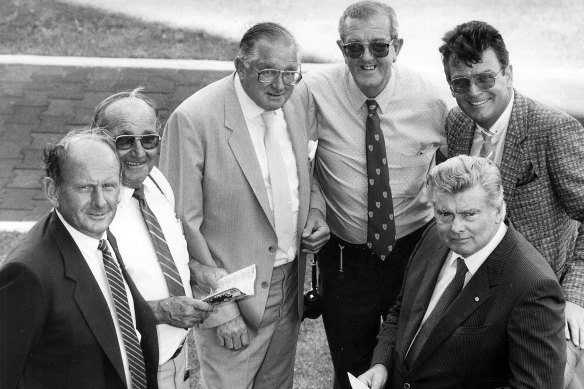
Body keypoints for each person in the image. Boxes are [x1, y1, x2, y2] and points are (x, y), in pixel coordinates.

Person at [159, 22, 329, 389]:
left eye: (290, 73)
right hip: (232, 296)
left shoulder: (297, 99)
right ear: (240, 66)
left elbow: (307, 170)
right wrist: (220, 308)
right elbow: (179, 225)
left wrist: (314, 212)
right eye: (267, 72)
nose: (280, 85)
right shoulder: (192, 120)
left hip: (288, 284)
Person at [302, 1, 451, 387]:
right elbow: (293, 159)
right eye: (354, 48)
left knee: (415, 361)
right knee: (351, 368)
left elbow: (463, 162)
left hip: (414, 250)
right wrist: (315, 207)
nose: (366, 57)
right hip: (344, 257)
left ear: (397, 46)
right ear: (340, 49)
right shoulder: (314, 92)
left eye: (379, 46)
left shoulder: (433, 99)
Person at [440, 20, 584, 388]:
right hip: (477, 299)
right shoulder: (457, 123)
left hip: (544, 299)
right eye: (460, 82)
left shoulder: (553, 129)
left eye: (485, 78)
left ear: (508, 73)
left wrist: (574, 299)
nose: (473, 92)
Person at [358, 155, 565, 389]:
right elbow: (401, 312)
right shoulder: (432, 238)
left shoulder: (533, 286)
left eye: (469, 214)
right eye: (445, 214)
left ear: (498, 210)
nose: (456, 228)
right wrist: (381, 365)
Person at [0, 129, 159, 389]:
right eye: (85, 187)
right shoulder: (27, 273)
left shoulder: (98, 237)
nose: (101, 202)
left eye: (109, 186)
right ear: (52, 190)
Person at [92, 90, 222, 389]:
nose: (139, 153)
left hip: (176, 355)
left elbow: (165, 252)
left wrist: (200, 272)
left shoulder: (156, 181)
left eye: (148, 139)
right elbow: (89, 307)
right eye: (124, 141)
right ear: (100, 142)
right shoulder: (94, 212)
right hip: (132, 366)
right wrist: (162, 311)